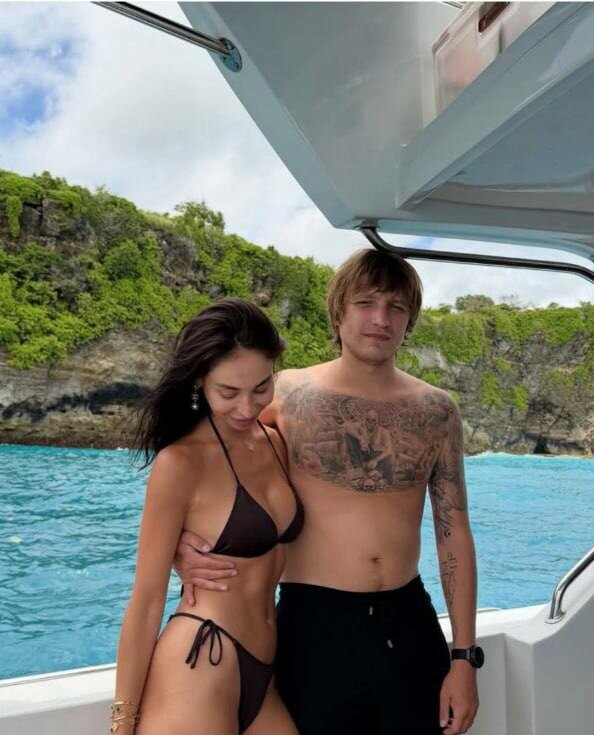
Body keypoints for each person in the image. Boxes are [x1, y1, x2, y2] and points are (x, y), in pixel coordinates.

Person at [175, 249, 481, 735]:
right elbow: (199, 470)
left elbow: (453, 533)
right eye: (366, 303)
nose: (380, 319)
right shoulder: (282, 395)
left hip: (409, 620)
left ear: (410, 321)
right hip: (314, 623)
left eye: (396, 307)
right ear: (339, 312)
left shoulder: (437, 411)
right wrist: (180, 548)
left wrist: (463, 658)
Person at [112, 298, 301, 735]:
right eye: (228, 392)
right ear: (200, 380)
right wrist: (122, 722)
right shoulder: (181, 463)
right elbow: (146, 601)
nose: (246, 408)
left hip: (264, 670)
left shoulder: (275, 441)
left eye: (261, 388)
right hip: (200, 662)